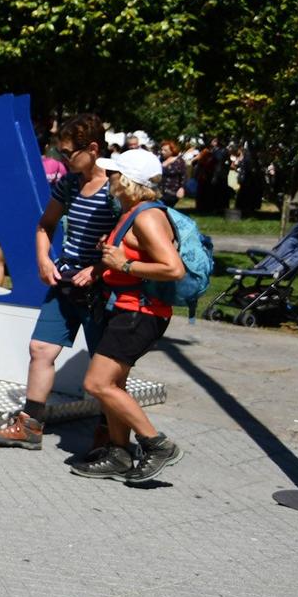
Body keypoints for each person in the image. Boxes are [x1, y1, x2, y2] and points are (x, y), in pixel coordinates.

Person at [0, 114, 113, 450]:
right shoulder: (68, 184)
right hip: (66, 281)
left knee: (106, 366)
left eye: (69, 152)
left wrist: (98, 269)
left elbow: (129, 240)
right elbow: (45, 225)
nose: (63, 159)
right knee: (40, 348)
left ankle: (111, 432)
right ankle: (30, 425)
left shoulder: (117, 187)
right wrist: (44, 259)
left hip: (104, 287)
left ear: (93, 148)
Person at [73, 147, 187, 482]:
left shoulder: (147, 216)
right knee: (114, 383)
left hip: (140, 313)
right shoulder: (131, 212)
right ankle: (119, 453)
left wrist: (122, 264)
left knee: (97, 382)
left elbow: (173, 267)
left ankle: (156, 444)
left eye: (113, 174)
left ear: (127, 181)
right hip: (124, 308)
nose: (108, 179)